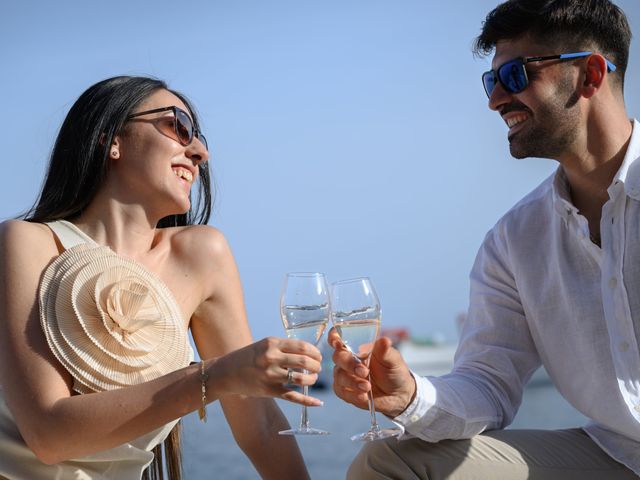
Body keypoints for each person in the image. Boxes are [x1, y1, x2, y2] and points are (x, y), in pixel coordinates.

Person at [330, 0, 640, 478]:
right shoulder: (515, 240)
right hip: (617, 454)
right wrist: (410, 396)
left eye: (515, 75)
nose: (495, 99)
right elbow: (488, 384)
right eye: (490, 80)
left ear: (590, 76)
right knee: (390, 460)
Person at [0, 75, 323, 480]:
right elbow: (48, 435)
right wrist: (214, 376)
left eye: (199, 138)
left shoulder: (203, 255)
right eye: (178, 126)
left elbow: (258, 425)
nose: (200, 151)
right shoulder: (27, 242)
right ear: (110, 139)